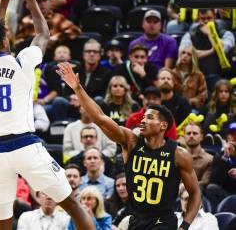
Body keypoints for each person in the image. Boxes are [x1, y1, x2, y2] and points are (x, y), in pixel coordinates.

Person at [0, 0, 95, 230]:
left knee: (1, 222)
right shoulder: (21, 62)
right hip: (25, 145)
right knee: (71, 203)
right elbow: (43, 33)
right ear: (5, 40)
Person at [57, 61, 202, 229]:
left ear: (163, 126)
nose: (143, 120)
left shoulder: (179, 154)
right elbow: (100, 118)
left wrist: (185, 226)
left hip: (163, 221)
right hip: (136, 219)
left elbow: (195, 192)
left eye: (149, 118)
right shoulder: (131, 142)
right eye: (143, 117)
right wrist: (78, 88)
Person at [173, 45, 207, 110]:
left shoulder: (198, 75)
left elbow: (203, 94)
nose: (185, 56)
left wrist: (191, 101)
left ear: (193, 58)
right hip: (175, 107)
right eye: (183, 53)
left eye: (189, 54)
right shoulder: (172, 73)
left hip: (191, 107)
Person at [181, 123, 213, 188]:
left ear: (201, 137)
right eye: (188, 133)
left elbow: (204, 182)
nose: (191, 136)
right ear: (184, 136)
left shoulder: (210, 159)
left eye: (195, 133)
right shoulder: (175, 156)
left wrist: (184, 187)